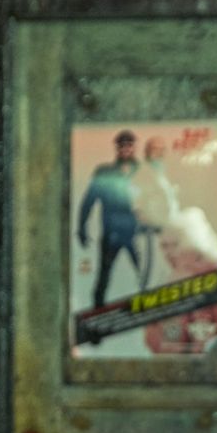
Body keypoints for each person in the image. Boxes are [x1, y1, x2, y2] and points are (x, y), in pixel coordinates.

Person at [77, 129, 143, 308]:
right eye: (122, 145)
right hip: (111, 233)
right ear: (117, 148)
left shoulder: (143, 172)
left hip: (137, 233)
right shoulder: (104, 172)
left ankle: (154, 318)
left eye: (129, 145)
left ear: (134, 147)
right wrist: (82, 228)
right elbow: (88, 201)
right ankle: (96, 319)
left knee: (148, 277)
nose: (125, 149)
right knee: (103, 278)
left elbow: (157, 201)